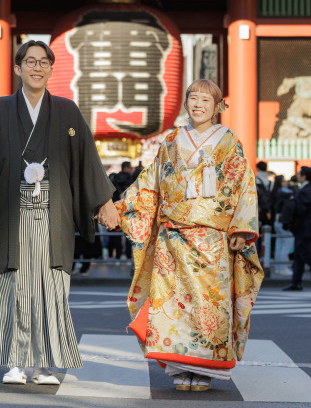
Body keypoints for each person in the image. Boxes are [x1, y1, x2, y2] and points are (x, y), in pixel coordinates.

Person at [0, 40, 117, 386]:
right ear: (18, 69)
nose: (37, 67)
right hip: (11, 211)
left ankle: (44, 365)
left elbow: (86, 160)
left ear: (51, 69)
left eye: (44, 62)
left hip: (54, 212)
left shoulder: (66, 110)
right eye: (30, 62)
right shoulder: (0, 109)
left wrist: (103, 201)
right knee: (14, 284)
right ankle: (15, 363)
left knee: (52, 287)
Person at [110, 79, 262, 392]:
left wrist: (240, 228)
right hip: (173, 238)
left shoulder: (228, 142)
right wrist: (119, 207)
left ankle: (204, 369)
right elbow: (151, 180)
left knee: (210, 304)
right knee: (174, 303)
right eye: (193, 98)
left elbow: (243, 184)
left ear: (218, 107)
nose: (198, 104)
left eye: (206, 100)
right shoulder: (172, 140)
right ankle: (180, 365)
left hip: (212, 238)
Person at [272, 175, 295, 276]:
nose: (287, 182)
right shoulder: (287, 194)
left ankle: (279, 267)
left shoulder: (276, 193)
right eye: (284, 181)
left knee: (280, 245)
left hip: (277, 222)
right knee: (285, 245)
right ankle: (283, 268)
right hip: (284, 222)